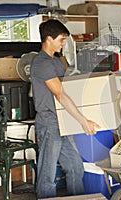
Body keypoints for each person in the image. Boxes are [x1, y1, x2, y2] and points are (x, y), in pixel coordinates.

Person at [30, 19, 100, 199]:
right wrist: (83, 121)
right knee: (48, 174)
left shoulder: (57, 61)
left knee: (76, 167)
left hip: (64, 123)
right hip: (49, 125)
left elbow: (68, 89)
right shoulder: (41, 63)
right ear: (48, 39)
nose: (63, 43)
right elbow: (60, 94)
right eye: (61, 39)